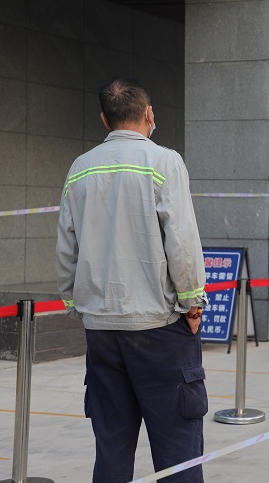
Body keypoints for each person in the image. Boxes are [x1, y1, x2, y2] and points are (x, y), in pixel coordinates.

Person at [56, 78, 208, 483]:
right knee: (178, 446)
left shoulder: (80, 168)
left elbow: (65, 246)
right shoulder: (164, 162)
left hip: (101, 329)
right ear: (149, 114)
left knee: (111, 444)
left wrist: (75, 305)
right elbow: (182, 241)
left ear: (104, 119)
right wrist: (193, 303)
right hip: (158, 326)